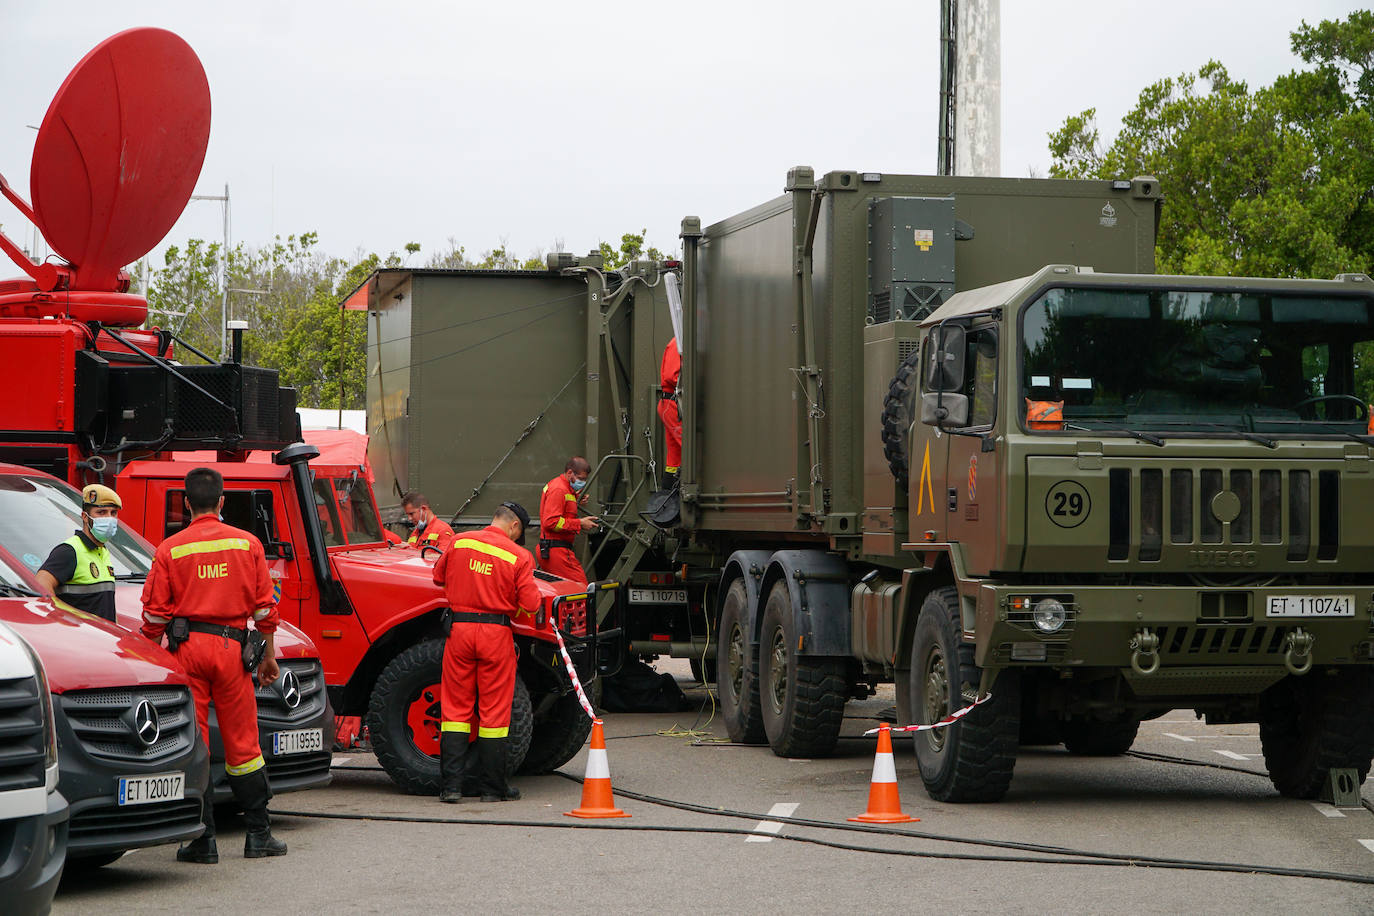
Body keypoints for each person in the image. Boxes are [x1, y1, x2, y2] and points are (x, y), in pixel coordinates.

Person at [140, 467, 286, 863]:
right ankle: (259, 835)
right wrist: (268, 655)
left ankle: (203, 841)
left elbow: (155, 615)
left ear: (186, 503)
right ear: (223, 502)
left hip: (187, 650)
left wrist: (153, 661)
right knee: (244, 744)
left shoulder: (171, 548)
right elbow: (265, 610)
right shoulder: (248, 544)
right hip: (233, 649)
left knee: (196, 743)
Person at [432, 501, 539, 803]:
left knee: (455, 710)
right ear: (515, 526)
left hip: (460, 632)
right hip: (496, 635)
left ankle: (451, 787)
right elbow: (530, 604)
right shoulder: (519, 555)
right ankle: (492, 789)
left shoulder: (459, 541)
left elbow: (437, 577)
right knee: (494, 713)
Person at [35, 483, 122, 623]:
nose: (109, 518)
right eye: (101, 512)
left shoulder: (103, 551)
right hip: (81, 639)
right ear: (85, 517)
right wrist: (61, 620)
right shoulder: (69, 551)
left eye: (113, 513)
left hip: (104, 640)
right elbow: (41, 584)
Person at [538, 457, 599, 585]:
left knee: (565, 594)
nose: (583, 483)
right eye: (581, 479)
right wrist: (580, 523)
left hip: (554, 550)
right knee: (580, 589)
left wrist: (576, 499)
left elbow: (562, 507)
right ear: (570, 473)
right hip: (556, 551)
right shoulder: (559, 489)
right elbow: (551, 522)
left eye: (585, 479)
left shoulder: (563, 488)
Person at [658, 337, 682, 486]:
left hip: (672, 403)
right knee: (690, 448)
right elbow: (672, 376)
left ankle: (667, 495)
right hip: (673, 403)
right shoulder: (678, 342)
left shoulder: (680, 341)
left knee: (674, 457)